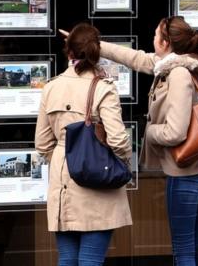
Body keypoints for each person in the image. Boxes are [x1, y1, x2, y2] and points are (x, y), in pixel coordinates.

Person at [62, 16, 198, 265]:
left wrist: (149, 132)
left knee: (185, 252)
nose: (152, 39)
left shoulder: (177, 74)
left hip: (186, 174)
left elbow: (175, 132)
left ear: (166, 43)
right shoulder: (178, 63)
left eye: (156, 35)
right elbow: (136, 58)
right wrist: (91, 42)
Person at [35, 23, 133, 266]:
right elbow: (118, 139)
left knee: (67, 259)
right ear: (96, 53)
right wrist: (123, 162)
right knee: (91, 260)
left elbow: (42, 143)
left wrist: (65, 157)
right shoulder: (103, 88)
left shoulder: (51, 87)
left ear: (69, 53)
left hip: (63, 179)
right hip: (98, 178)